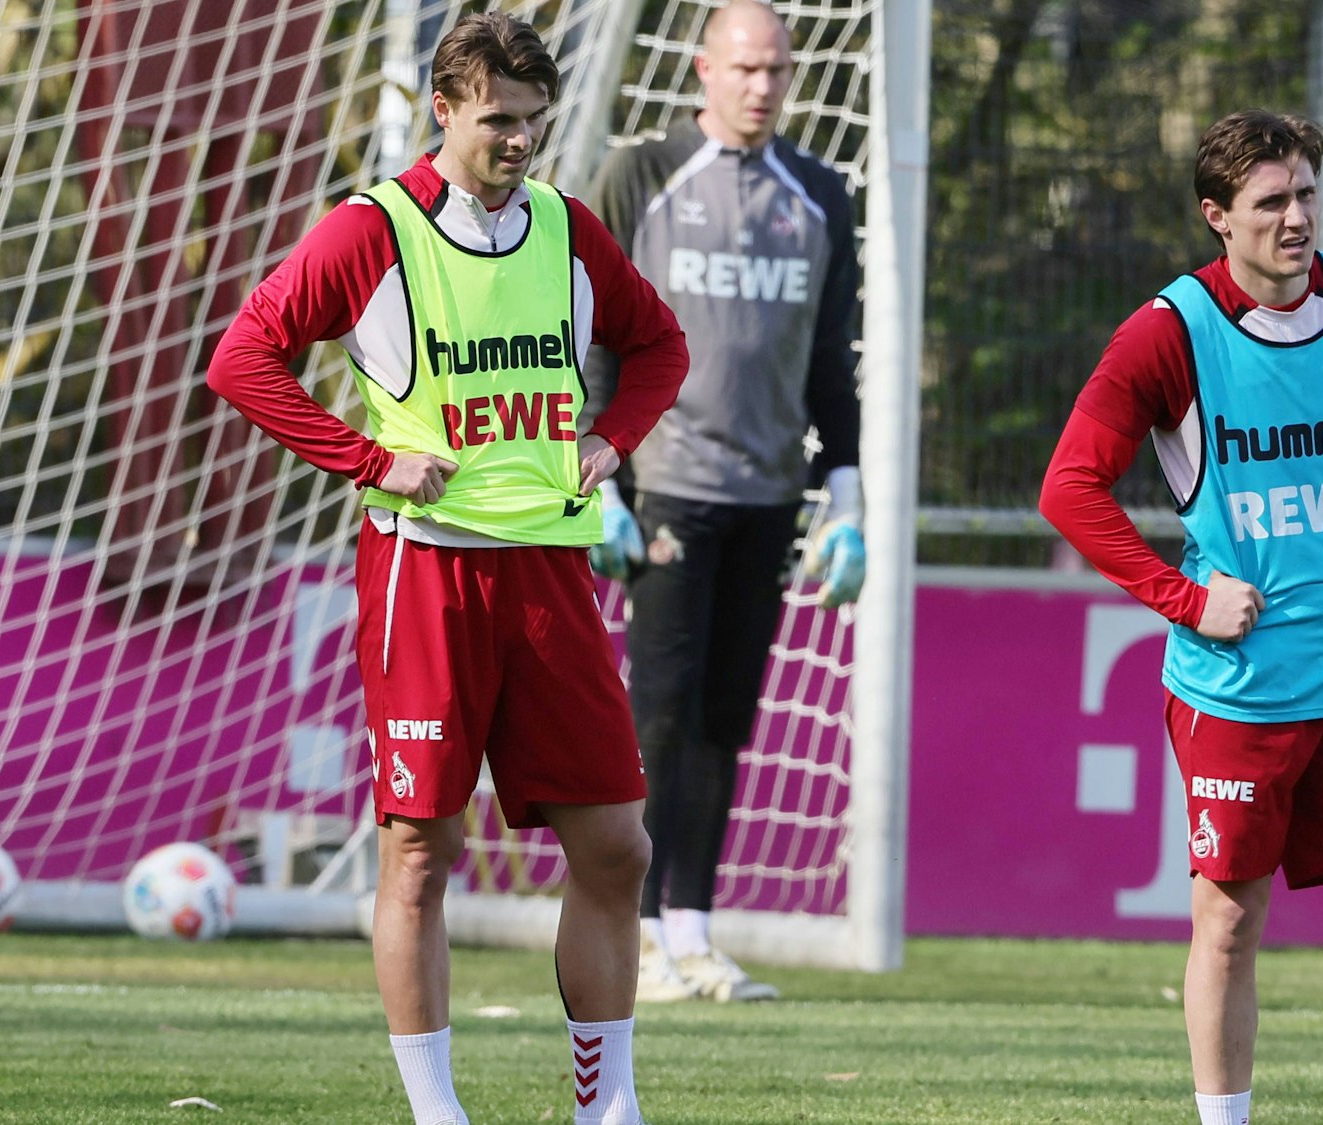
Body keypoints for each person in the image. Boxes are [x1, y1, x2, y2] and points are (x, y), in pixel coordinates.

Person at [207, 13, 687, 1124]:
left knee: (615, 846)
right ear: (442, 110)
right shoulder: (370, 229)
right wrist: (370, 458)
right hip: (423, 575)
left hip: (550, 576)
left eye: (532, 122)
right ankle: (437, 1113)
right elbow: (246, 358)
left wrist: (609, 441)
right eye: (497, 122)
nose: (519, 142)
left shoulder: (566, 229)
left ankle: (603, 1104)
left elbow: (659, 343)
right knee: (419, 851)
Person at [1039, 110, 1323, 1125]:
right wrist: (1184, 597)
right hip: (1238, 686)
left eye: (1305, 194)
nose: (1296, 218)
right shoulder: (1169, 332)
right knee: (1229, 920)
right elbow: (1069, 489)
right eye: (1269, 202)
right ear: (1217, 217)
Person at [582, 0, 864, 1004]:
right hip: (663, 484)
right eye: (743, 67)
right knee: (656, 713)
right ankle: (643, 929)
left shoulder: (820, 194)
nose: (761, 86)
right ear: (701, 68)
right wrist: (599, 478)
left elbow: (831, 365)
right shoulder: (641, 176)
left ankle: (691, 930)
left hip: (766, 494)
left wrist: (848, 498)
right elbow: (594, 339)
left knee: (724, 718)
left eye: (776, 70)